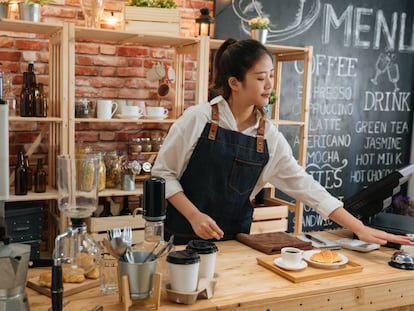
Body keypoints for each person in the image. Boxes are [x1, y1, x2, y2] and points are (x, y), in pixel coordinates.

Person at [152, 38, 413, 246]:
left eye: (271, 76)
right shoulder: (198, 119)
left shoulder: (269, 138)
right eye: (260, 78)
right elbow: (163, 174)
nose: (269, 86)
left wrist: (359, 228)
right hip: (181, 241)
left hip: (233, 243)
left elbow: (306, 187)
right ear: (234, 83)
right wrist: (194, 215)